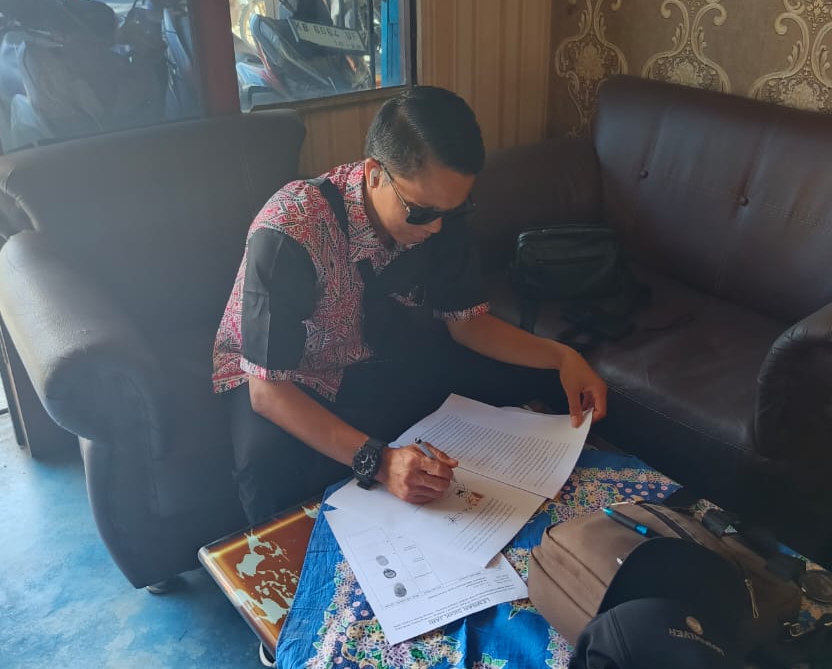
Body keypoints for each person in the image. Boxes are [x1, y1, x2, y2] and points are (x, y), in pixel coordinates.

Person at [213, 86, 607, 524]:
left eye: (451, 211)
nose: (436, 228)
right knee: (266, 468)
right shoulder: (290, 230)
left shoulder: (440, 215)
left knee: (534, 385)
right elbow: (267, 392)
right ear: (374, 174)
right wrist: (380, 462)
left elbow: (468, 324)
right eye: (421, 212)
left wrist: (561, 356)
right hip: (281, 374)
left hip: (367, 350)